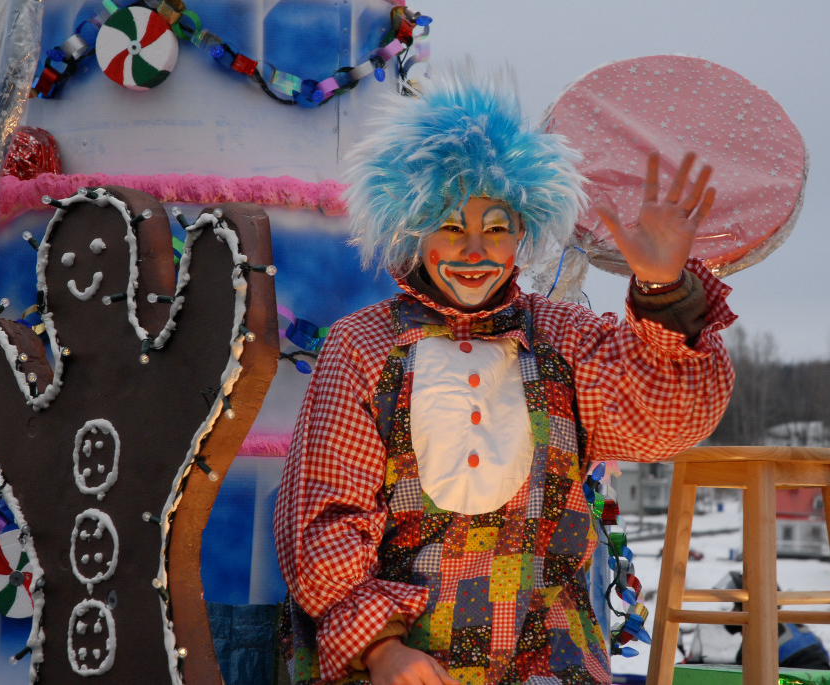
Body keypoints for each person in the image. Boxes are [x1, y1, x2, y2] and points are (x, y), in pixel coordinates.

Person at [273, 63, 736, 685]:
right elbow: (324, 517)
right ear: (413, 230)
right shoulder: (365, 346)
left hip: (547, 659)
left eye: (496, 228)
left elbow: (666, 420)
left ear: (522, 231)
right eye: (450, 225)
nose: (474, 250)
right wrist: (381, 649)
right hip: (402, 664)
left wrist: (662, 288)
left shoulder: (562, 338)